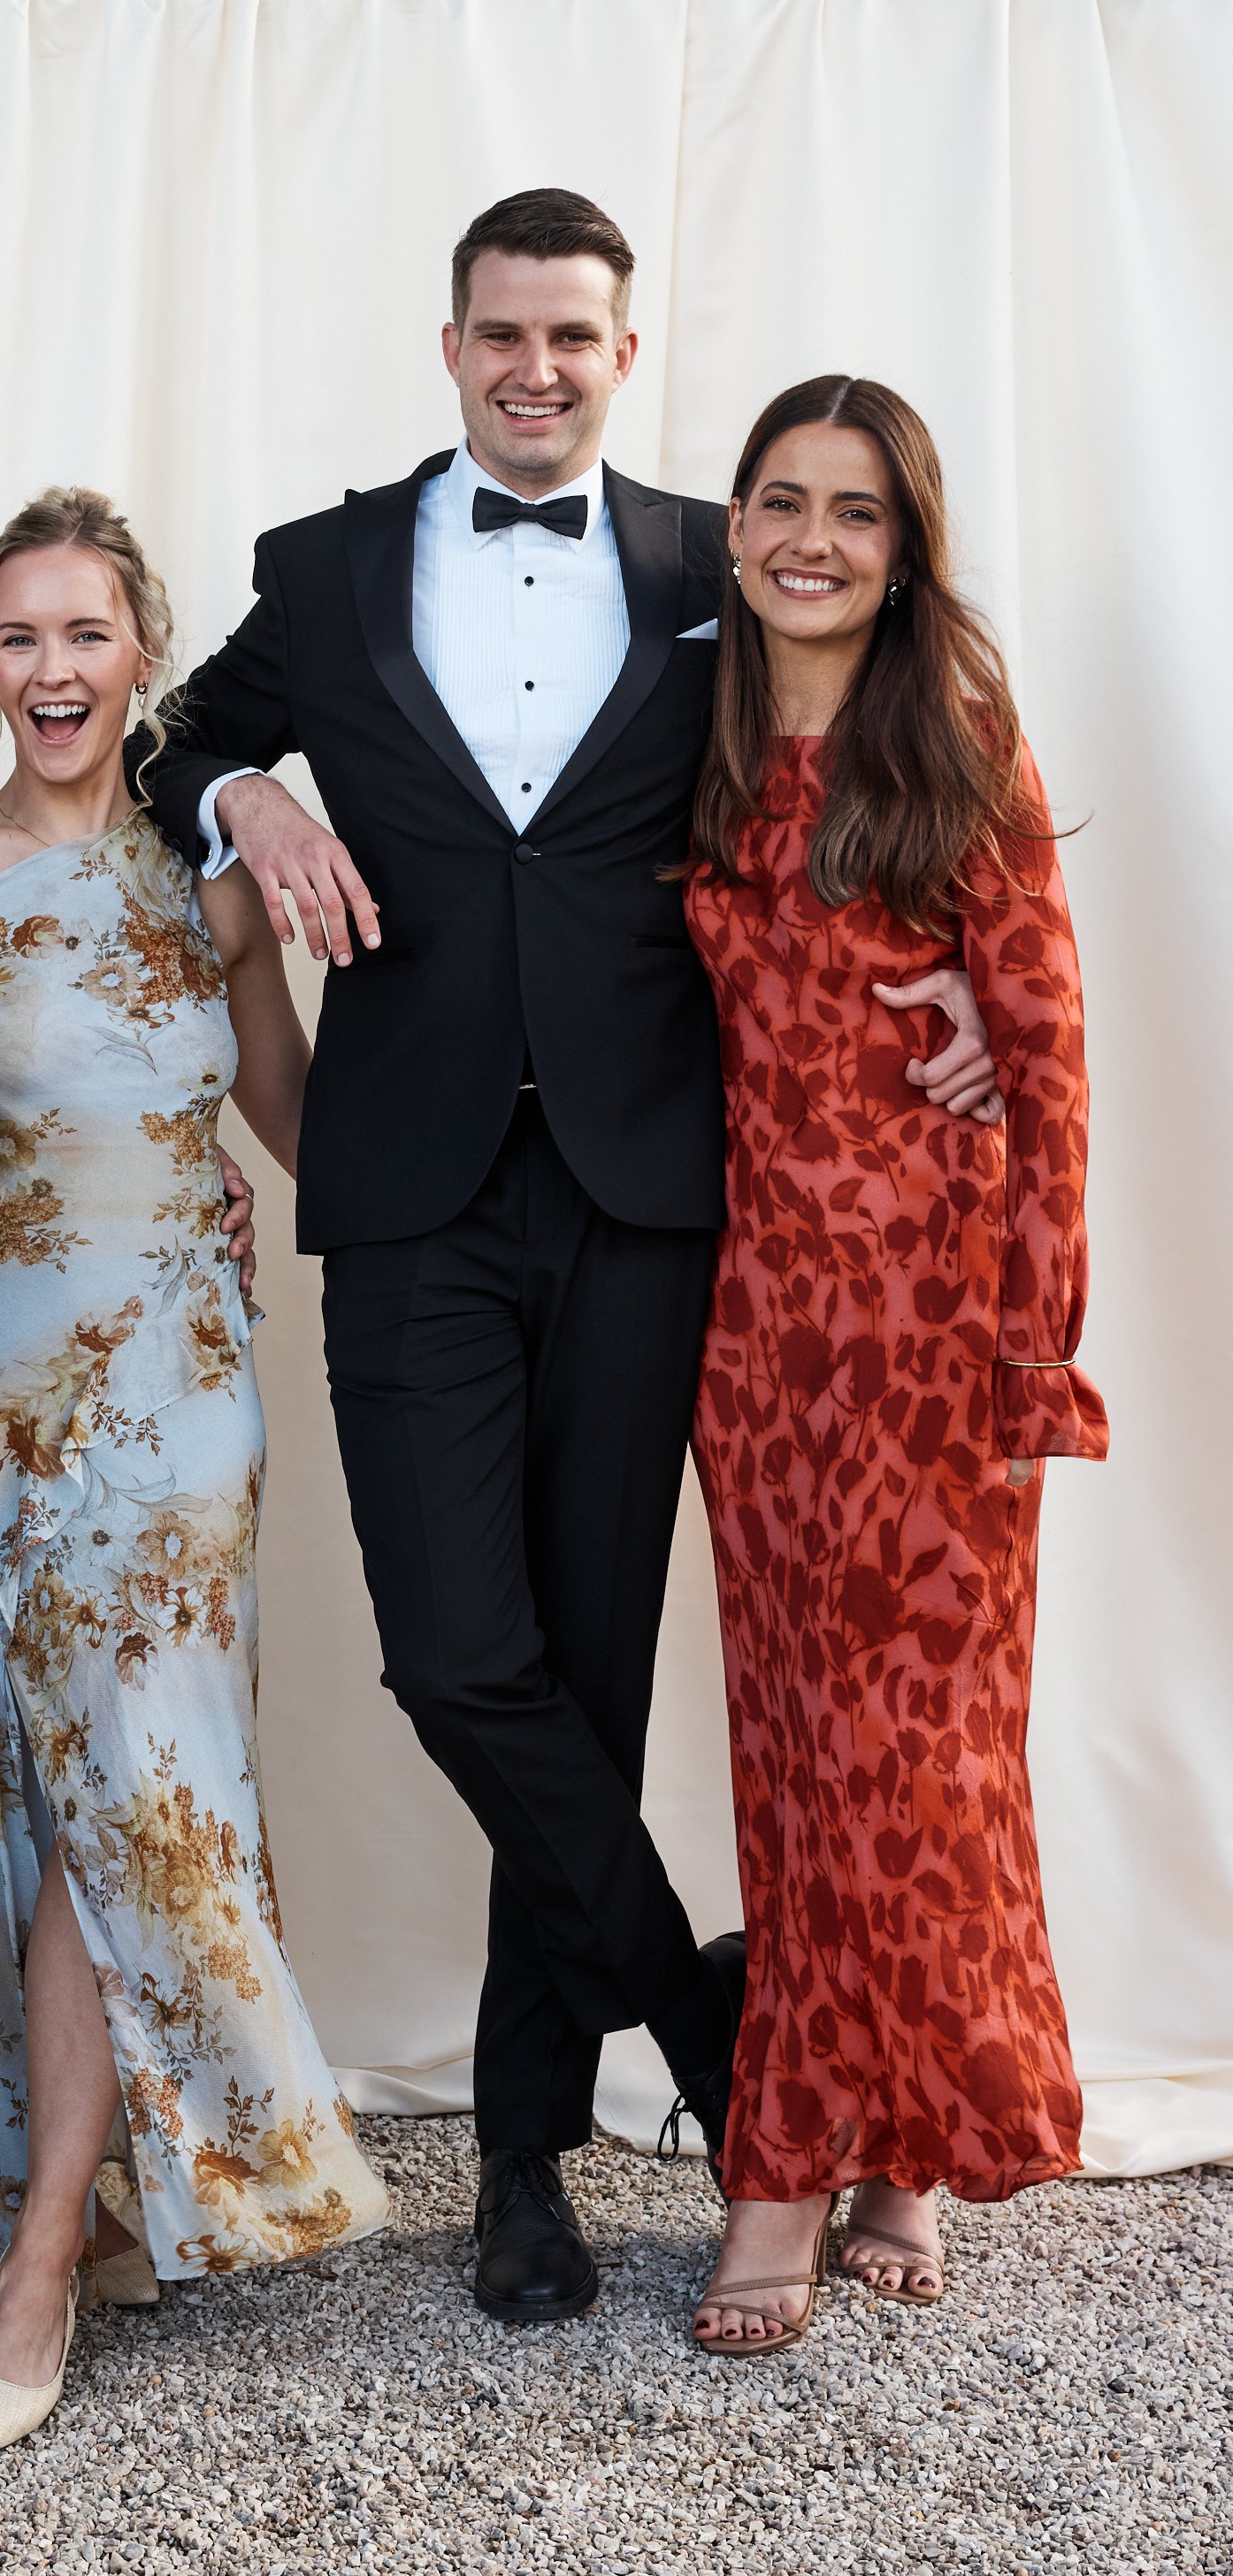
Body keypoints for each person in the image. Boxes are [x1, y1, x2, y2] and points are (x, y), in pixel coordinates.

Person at [120, 188, 1002, 2326]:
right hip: (409, 1180)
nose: (538, 369)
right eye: (503, 335)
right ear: (450, 347)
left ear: (626, 352)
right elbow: (169, 746)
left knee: (586, 1675)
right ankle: (715, 2026)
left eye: (576, 339)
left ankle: (527, 2164)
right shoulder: (325, 571)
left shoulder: (725, 559)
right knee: (458, 1656)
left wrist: (978, 965)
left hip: (650, 1189)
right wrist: (250, 799)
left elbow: (902, 733)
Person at [0, 489, 390, 2458]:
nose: (52, 671)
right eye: (16, 638)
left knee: (124, 1794)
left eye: (85, 634)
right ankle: (105, 2196)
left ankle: (44, 2256)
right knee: (36, 1796)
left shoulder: (209, 882)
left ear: (142, 651)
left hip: (186, 1415)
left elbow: (307, 1133)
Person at [680, 378, 1107, 2355]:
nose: (816, 542)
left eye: (859, 513)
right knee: (794, 1750)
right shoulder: (675, 717)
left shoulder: (955, 739)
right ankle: (834, 2127)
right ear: (738, 518)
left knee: (925, 1759)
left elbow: (1048, 1051)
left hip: (936, 1330)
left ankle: (862, 2150)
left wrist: (1039, 1342)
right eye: (784, 501)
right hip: (758, 1336)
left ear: (904, 542)